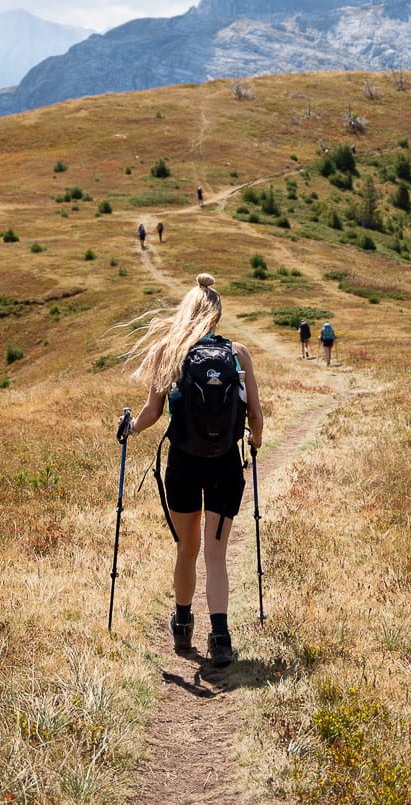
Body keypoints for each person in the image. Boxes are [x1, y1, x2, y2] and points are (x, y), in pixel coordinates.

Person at [118, 273, 265, 668]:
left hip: (183, 463)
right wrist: (255, 441)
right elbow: (255, 413)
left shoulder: (170, 350)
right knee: (215, 555)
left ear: (188, 312)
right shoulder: (238, 353)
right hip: (225, 465)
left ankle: (183, 624)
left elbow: (152, 413)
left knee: (188, 547)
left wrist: (128, 428)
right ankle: (220, 637)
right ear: (217, 315)